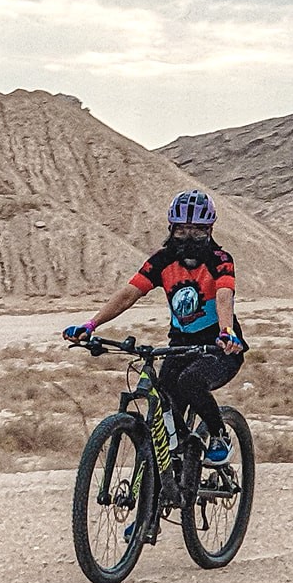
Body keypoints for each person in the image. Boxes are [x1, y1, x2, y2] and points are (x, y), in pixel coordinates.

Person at [63, 189, 245, 465]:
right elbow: (128, 294)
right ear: (171, 228)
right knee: (162, 393)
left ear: (209, 230)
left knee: (190, 382)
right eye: (182, 230)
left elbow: (223, 295)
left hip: (220, 347)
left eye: (197, 230)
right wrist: (91, 324)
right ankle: (181, 451)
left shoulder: (220, 260)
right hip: (180, 345)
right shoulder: (162, 261)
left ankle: (220, 435)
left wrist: (226, 330)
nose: (189, 237)